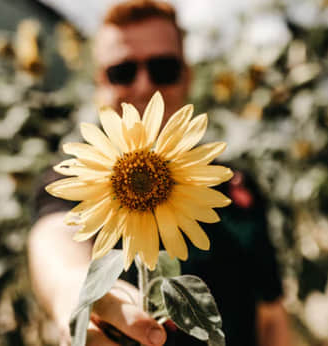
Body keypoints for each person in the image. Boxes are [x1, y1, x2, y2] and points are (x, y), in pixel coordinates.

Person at [28, 1, 293, 345]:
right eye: (122, 71)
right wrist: (74, 293)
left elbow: (271, 316)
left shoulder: (235, 186)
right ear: (100, 81)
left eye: (163, 68)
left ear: (187, 75)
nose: (144, 86)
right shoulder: (78, 175)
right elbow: (55, 246)